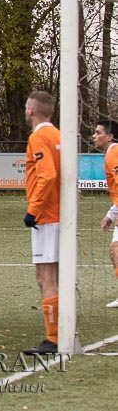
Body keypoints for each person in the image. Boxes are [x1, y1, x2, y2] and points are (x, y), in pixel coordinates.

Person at [21, 90, 61, 355]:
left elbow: (47, 175)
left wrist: (33, 210)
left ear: (31, 110)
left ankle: (54, 337)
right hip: (60, 213)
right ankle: (62, 330)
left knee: (45, 276)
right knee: (54, 276)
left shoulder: (38, 137)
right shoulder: (58, 135)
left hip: (46, 216)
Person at [93, 119, 118, 307]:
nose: (94, 136)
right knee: (115, 250)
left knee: (115, 250)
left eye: (98, 132)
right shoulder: (111, 153)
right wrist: (111, 214)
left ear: (109, 137)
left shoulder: (114, 154)